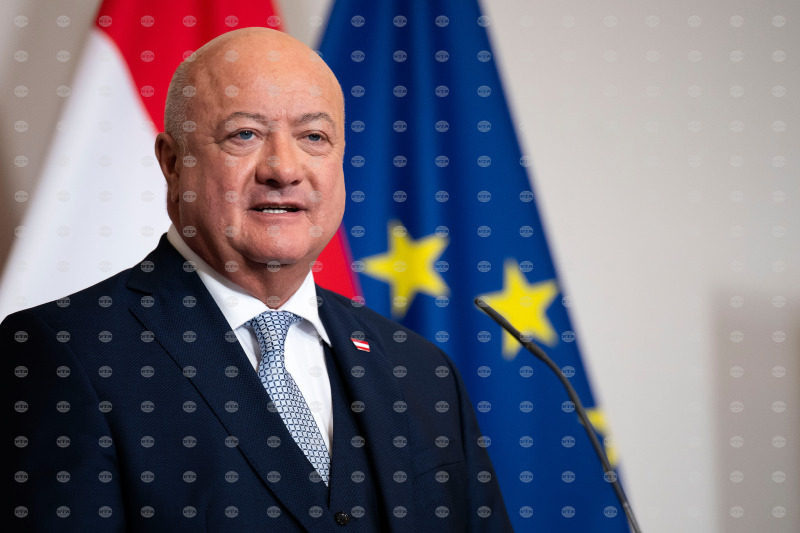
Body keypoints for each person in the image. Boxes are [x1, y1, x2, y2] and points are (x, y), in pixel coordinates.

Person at [5, 28, 512, 532]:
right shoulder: (67, 352)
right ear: (173, 164)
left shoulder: (421, 370)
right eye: (244, 134)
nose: (283, 169)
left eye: (313, 137)